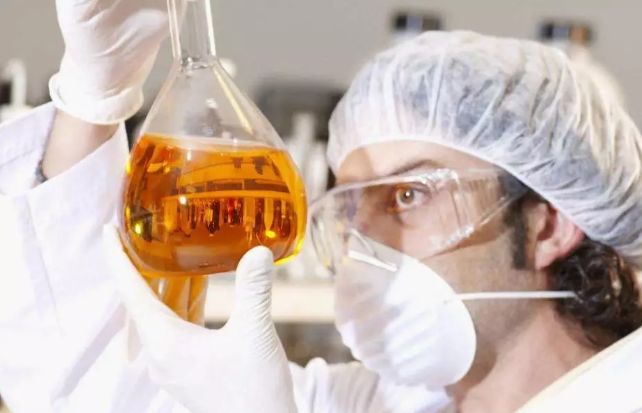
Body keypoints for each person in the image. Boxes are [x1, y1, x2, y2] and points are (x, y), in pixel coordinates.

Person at [1, 2, 642, 413]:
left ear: (547, 222)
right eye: (349, 207)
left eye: (409, 194)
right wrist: (95, 96)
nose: (364, 241)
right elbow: (93, 392)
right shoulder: (376, 404)